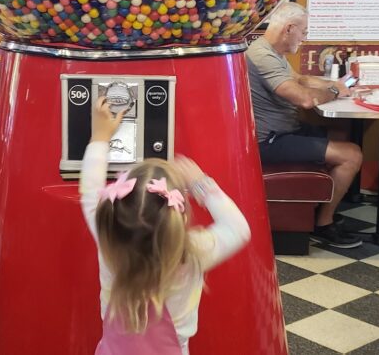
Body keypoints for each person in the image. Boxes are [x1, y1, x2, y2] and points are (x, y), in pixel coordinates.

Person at [80, 96, 251, 354]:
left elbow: (91, 193)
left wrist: (100, 137)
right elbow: (238, 228)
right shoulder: (193, 253)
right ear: (178, 217)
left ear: (113, 216)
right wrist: (201, 183)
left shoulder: (109, 243)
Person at [246, 2, 363, 248]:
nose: (305, 38)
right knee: (352, 155)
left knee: (339, 132)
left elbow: (301, 79)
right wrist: (333, 90)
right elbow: (304, 99)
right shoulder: (261, 55)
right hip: (269, 140)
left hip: (285, 129)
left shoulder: (272, 52)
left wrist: (340, 85)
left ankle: (320, 205)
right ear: (289, 28)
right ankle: (323, 225)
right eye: (304, 32)